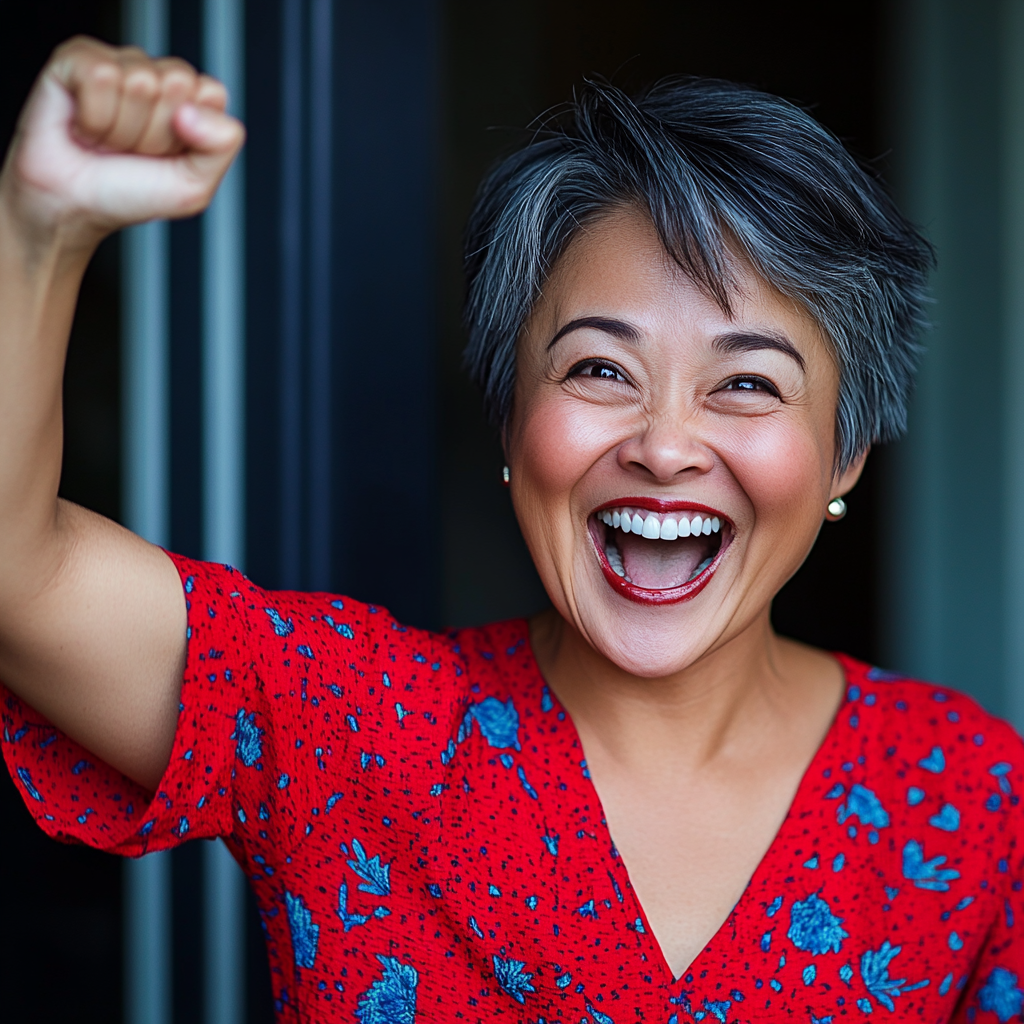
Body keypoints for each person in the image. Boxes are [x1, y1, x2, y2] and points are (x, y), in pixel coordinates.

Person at [1, 35, 1021, 1024]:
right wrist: (38, 232)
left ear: (844, 455)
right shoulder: (356, 728)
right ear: (510, 421)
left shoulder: (966, 797)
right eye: (597, 369)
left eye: (747, 383)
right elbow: (18, 573)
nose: (665, 447)